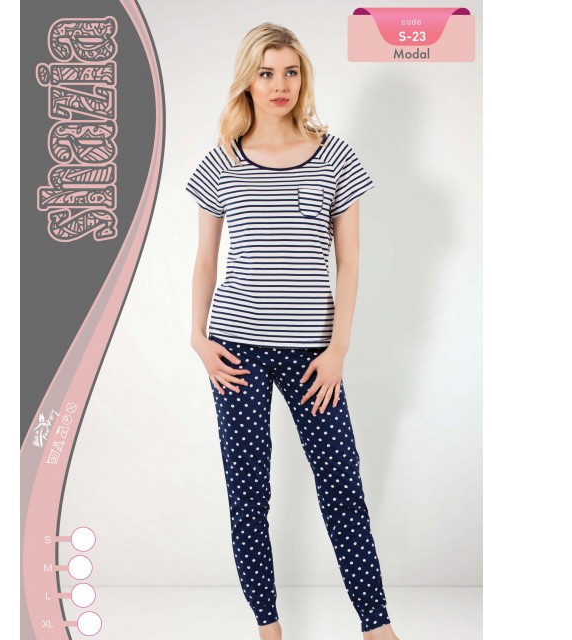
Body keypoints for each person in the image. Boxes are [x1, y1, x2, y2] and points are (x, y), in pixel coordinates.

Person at [187, 22, 400, 640]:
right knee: (248, 493)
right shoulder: (222, 162)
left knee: (343, 487)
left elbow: (349, 262)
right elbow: (205, 261)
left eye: (290, 71)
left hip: (314, 353)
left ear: (303, 77)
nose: (280, 84)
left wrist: (339, 348)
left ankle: (377, 627)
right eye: (266, 72)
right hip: (235, 350)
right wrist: (198, 338)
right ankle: (269, 628)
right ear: (247, 81)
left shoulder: (335, 156)